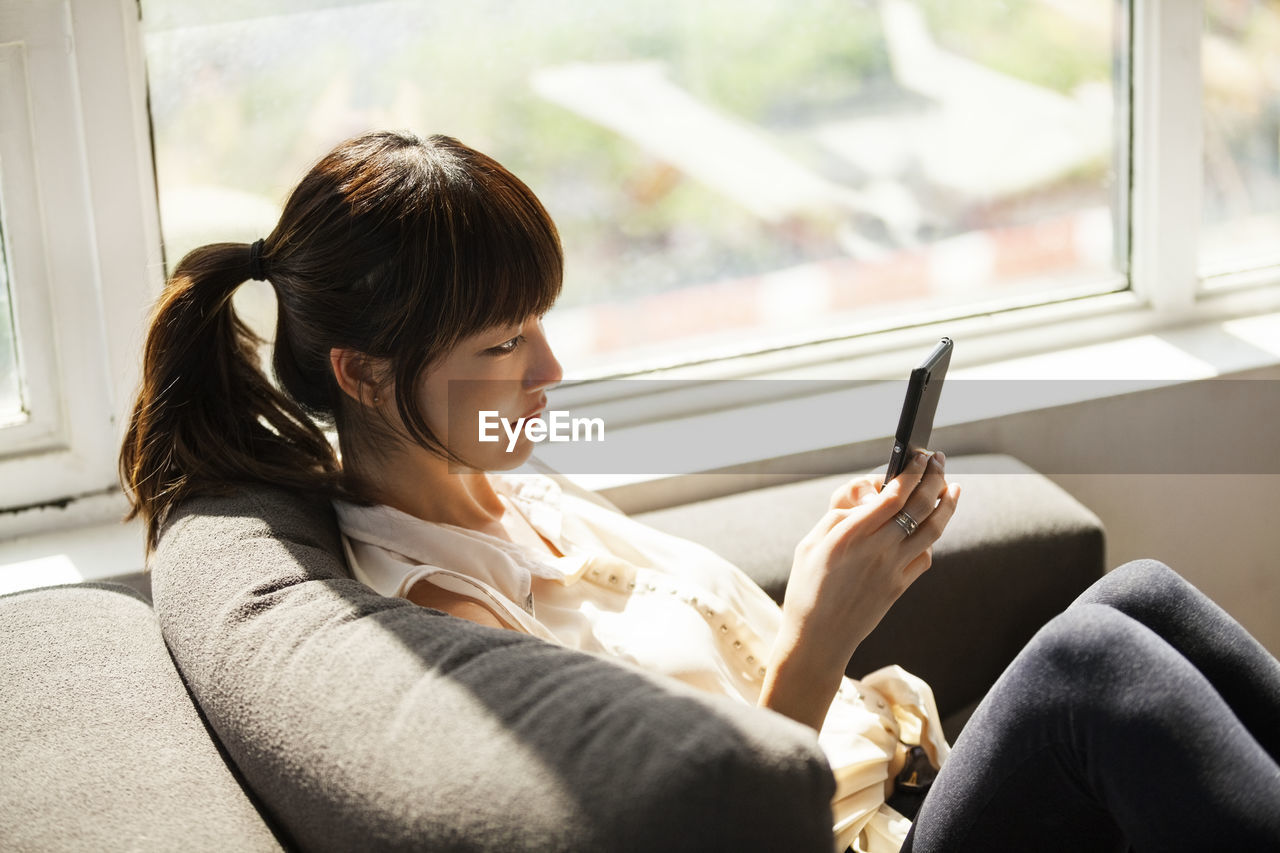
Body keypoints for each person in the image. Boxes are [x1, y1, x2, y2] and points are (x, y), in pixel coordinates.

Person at [120, 131, 1280, 852]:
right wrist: (825, 626)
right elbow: (695, 819)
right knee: (1092, 670)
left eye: (540, 325)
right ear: (365, 375)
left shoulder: (511, 487)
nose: (551, 370)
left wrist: (825, 573)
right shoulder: (441, 615)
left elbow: (694, 665)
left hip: (898, 789)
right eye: (504, 343)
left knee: (1139, 598)